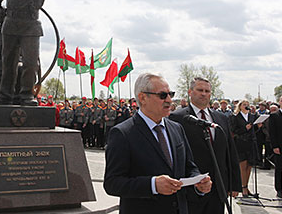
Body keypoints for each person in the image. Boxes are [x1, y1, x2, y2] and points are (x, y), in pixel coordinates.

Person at [104, 73, 211, 214]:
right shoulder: (123, 133)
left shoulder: (176, 128)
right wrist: (152, 185)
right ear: (143, 98)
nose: (169, 100)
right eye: (162, 95)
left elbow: (189, 166)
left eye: (170, 94)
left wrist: (198, 183)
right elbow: (112, 183)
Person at [169, 77, 241, 214]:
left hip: (218, 187)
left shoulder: (221, 118)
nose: (204, 94)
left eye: (207, 91)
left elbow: (230, 151)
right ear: (190, 92)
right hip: (191, 189)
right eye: (200, 90)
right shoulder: (177, 118)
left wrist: (234, 184)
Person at [230, 100, 259, 197]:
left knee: (249, 166)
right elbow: (234, 130)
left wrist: (258, 126)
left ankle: (246, 186)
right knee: (243, 166)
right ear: (240, 106)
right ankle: (243, 187)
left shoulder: (252, 116)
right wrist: (244, 129)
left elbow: (254, 130)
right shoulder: (235, 117)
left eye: (248, 105)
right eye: (244, 105)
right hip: (241, 143)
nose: (246, 106)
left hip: (251, 143)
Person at [269, 94, 282, 198]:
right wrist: (275, 146)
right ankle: (279, 189)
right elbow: (272, 133)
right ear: (279, 102)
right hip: (279, 147)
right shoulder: (274, 115)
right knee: (279, 169)